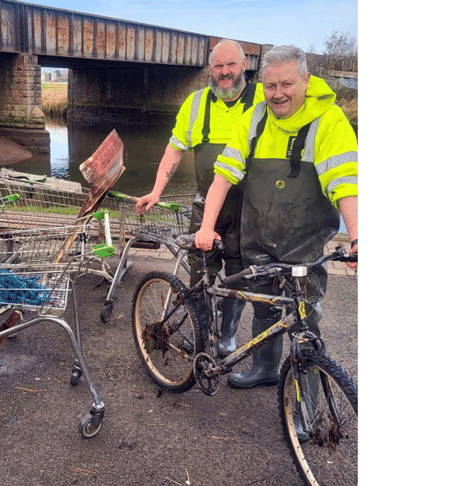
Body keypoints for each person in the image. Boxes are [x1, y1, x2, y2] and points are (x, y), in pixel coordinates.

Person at [194, 44, 358, 389]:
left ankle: (306, 408)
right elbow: (223, 176)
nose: (278, 94)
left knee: (305, 323)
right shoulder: (254, 118)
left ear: (306, 81)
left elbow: (345, 182)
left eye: (287, 84)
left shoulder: (329, 121)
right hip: (259, 238)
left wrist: (356, 237)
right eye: (271, 86)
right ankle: (264, 369)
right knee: (265, 311)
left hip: (305, 246)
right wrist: (207, 226)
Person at [135, 39, 264, 357]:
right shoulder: (195, 103)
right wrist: (156, 190)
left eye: (231, 64)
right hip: (205, 205)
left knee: (238, 275)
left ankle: (227, 335)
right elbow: (174, 150)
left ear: (244, 64)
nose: (225, 72)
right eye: (218, 66)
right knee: (198, 274)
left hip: (249, 210)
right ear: (210, 69)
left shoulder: (264, 100)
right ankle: (202, 331)